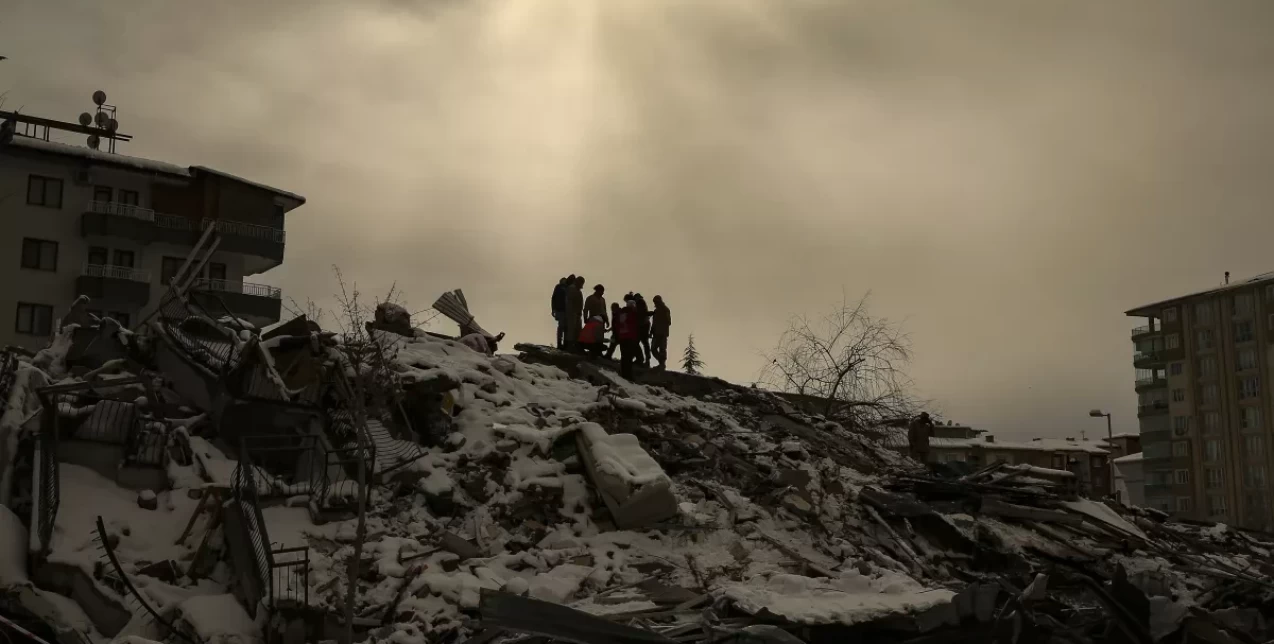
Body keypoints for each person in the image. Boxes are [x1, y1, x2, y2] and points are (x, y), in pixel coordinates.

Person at [614, 299, 641, 379]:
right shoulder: (632, 314)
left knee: (624, 356)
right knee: (629, 357)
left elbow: (618, 325)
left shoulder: (621, 314)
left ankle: (624, 373)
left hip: (622, 337)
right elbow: (634, 326)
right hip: (630, 338)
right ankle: (628, 375)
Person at [650, 295, 671, 370]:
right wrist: (651, 332)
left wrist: (661, 324)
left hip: (663, 333)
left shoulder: (665, 310)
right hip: (656, 333)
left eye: (656, 302)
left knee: (662, 349)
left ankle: (662, 364)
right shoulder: (656, 311)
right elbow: (653, 323)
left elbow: (669, 322)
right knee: (653, 349)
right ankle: (661, 363)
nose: (655, 303)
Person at [564, 276, 585, 352]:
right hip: (572, 313)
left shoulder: (578, 290)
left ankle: (576, 346)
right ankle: (569, 347)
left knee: (577, 330)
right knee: (571, 330)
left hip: (577, 313)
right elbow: (570, 302)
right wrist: (573, 312)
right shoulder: (572, 289)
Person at [551, 276, 572, 349]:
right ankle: (559, 344)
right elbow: (553, 298)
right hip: (560, 309)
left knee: (566, 327)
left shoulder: (568, 287)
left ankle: (565, 343)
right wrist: (553, 309)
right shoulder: (558, 287)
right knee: (561, 326)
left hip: (566, 310)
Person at [634, 293, 652, 367]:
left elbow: (640, 314)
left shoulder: (640, 303)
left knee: (641, 343)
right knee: (643, 343)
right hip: (643, 325)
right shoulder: (640, 303)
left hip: (643, 326)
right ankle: (642, 359)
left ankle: (641, 359)